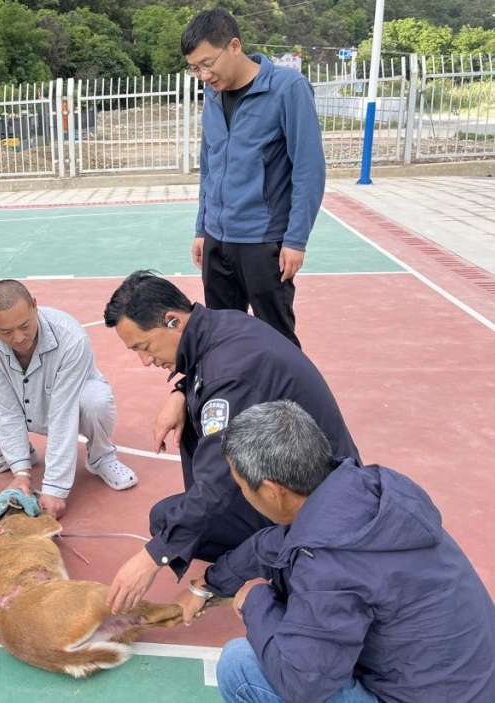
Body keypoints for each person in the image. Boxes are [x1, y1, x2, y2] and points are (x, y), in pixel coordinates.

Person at [177, 400, 495, 703]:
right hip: (469, 685)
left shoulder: (327, 567)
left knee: (240, 666)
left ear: (273, 491)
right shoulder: (365, 492)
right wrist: (210, 585)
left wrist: (256, 600)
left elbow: (301, 683)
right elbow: (273, 544)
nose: (242, 493)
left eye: (242, 486)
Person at [102, 271, 359, 614]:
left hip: (313, 504)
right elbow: (214, 374)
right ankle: (267, 557)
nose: (145, 361)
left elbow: (216, 482)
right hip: (312, 478)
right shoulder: (223, 327)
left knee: (171, 524)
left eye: (144, 347)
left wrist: (153, 557)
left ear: (173, 320)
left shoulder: (229, 373)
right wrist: (180, 392)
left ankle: (290, 565)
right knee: (171, 519)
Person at [183, 9, 325, 347]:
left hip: (263, 241)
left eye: (207, 64)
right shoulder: (213, 95)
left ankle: (287, 386)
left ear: (234, 46)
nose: (203, 75)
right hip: (217, 239)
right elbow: (209, 163)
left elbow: (308, 169)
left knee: (276, 342)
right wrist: (202, 228)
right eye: (194, 69)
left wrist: (296, 240)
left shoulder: (287, 88)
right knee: (222, 339)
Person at [0, 280, 137, 519]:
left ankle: (101, 457)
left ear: (35, 306)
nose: (19, 338)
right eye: (6, 332)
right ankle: (9, 458)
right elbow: (5, 405)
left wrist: (55, 489)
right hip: (22, 403)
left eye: (24, 326)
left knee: (96, 399)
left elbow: (63, 412)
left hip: (71, 406)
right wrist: (21, 472)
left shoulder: (71, 337)